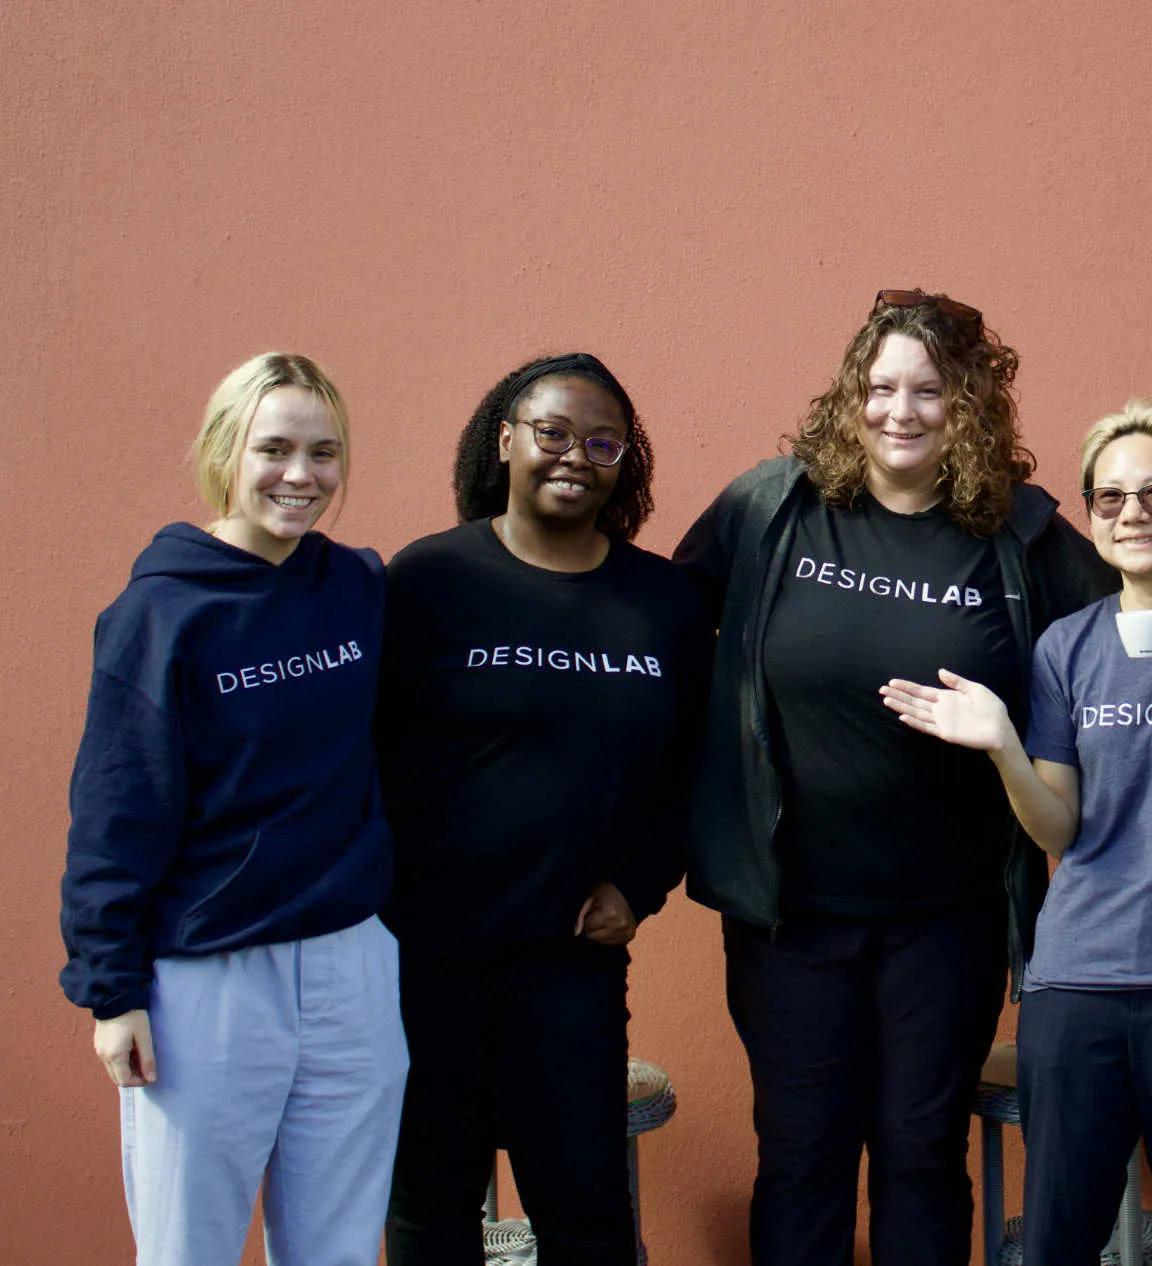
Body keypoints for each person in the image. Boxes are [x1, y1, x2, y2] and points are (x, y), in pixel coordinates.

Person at [674, 289, 1115, 1266]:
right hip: (788, 916)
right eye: (879, 388)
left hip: (946, 920)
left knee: (921, 1156)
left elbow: (1129, 639)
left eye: (929, 390)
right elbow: (657, 626)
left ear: (970, 404)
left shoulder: (1020, 534)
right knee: (800, 1155)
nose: (899, 411)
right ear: (850, 398)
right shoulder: (771, 507)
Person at [883, 399, 1152, 1266]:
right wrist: (1003, 744)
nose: (1132, 515)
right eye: (1107, 499)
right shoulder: (1065, 647)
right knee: (1057, 1239)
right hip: (1076, 984)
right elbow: (1061, 830)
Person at [58, 352, 406, 1266]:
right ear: (225, 451)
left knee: (336, 1248)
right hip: (208, 979)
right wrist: (112, 990)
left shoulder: (358, 588)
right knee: (190, 1250)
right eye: (275, 448)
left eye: (324, 453)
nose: (302, 476)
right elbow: (115, 807)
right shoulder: (161, 612)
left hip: (350, 967)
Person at [377, 352, 711, 1264]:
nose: (575, 456)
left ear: (624, 462)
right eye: (552, 432)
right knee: (428, 1210)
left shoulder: (660, 602)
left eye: (601, 441)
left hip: (571, 966)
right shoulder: (429, 581)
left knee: (587, 1219)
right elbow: (364, 754)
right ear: (505, 440)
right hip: (426, 958)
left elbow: (690, 768)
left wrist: (639, 886)